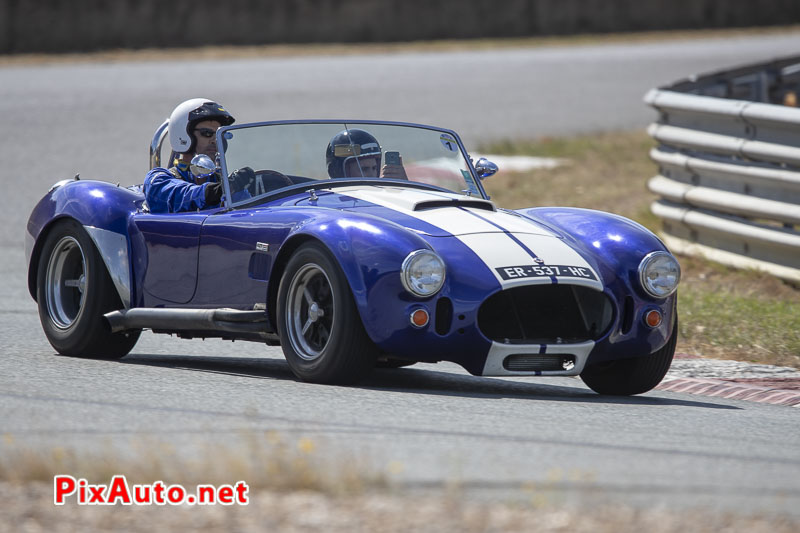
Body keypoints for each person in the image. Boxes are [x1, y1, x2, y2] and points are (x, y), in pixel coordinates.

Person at [144, 98, 253, 213]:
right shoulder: (158, 180)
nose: (215, 141)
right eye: (207, 133)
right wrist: (219, 190)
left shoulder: (222, 181)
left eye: (219, 135)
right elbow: (182, 196)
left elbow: (249, 211)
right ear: (184, 135)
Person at [325, 128, 407, 179]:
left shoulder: (382, 197)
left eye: (374, 168)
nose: (372, 175)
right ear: (340, 171)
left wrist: (403, 186)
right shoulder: (323, 200)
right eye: (364, 169)